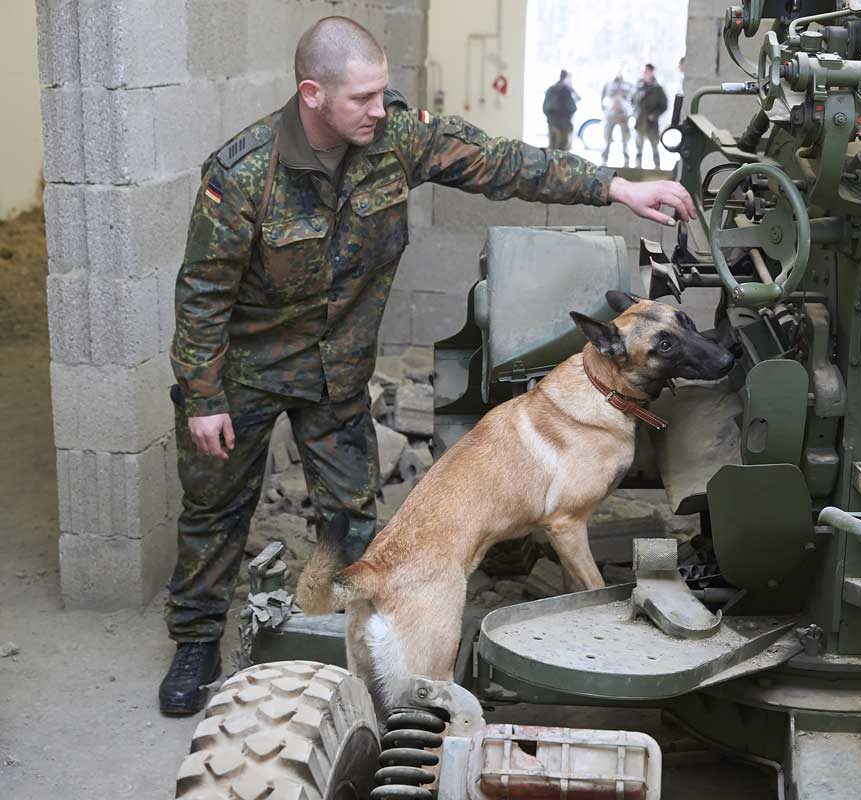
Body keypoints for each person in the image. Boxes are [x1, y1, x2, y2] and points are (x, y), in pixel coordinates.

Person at [158, 16, 698, 716]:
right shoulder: (243, 173)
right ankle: (196, 640)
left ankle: (353, 657)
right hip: (247, 374)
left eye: (385, 93)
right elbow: (201, 292)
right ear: (312, 94)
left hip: (338, 376)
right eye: (364, 98)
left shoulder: (397, 140)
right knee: (215, 509)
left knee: (357, 522)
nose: (381, 110)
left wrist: (616, 187)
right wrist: (204, 397)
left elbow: (504, 161)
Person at [633, 63, 669, 169]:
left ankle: (657, 167)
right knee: (639, 146)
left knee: (654, 146)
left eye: (648, 71)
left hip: (652, 123)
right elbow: (632, 101)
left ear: (652, 72)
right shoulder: (639, 87)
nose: (646, 74)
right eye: (644, 72)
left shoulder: (658, 89)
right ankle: (638, 166)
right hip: (640, 122)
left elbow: (664, 106)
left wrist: (655, 115)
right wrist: (635, 113)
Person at [600, 70, 632, 167]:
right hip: (611, 115)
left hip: (624, 116)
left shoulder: (628, 85)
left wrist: (631, 112)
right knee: (607, 138)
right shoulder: (608, 84)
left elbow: (633, 99)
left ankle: (626, 159)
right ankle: (604, 158)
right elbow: (602, 97)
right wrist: (603, 109)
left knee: (625, 139)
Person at [543, 69, 578, 151]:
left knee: (552, 147)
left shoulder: (551, 89)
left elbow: (545, 107)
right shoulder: (566, 90)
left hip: (552, 122)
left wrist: (550, 118)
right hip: (564, 124)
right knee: (563, 149)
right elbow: (572, 107)